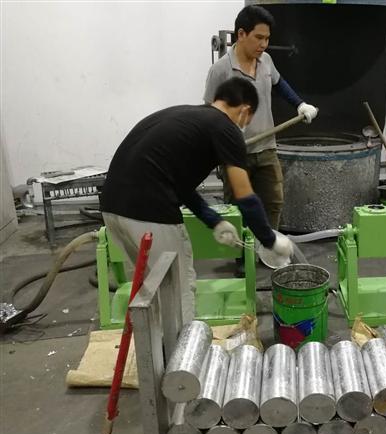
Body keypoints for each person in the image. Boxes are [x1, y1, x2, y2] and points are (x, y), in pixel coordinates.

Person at [100, 77, 293, 323]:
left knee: (150, 290)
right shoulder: (226, 128)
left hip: (112, 210)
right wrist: (270, 240)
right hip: (150, 212)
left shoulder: (185, 116)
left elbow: (180, 187)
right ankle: (182, 347)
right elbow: (245, 196)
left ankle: (156, 346)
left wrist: (214, 221)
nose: (245, 125)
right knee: (179, 289)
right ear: (245, 110)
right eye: (248, 120)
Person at [204, 5, 318, 231]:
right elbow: (209, 113)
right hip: (236, 153)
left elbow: (279, 83)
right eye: (259, 38)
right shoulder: (220, 70)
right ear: (241, 34)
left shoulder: (266, 60)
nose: (264, 44)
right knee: (238, 209)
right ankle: (241, 251)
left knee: (273, 203)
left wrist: (300, 104)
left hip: (267, 149)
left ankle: (267, 247)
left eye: (267, 38)